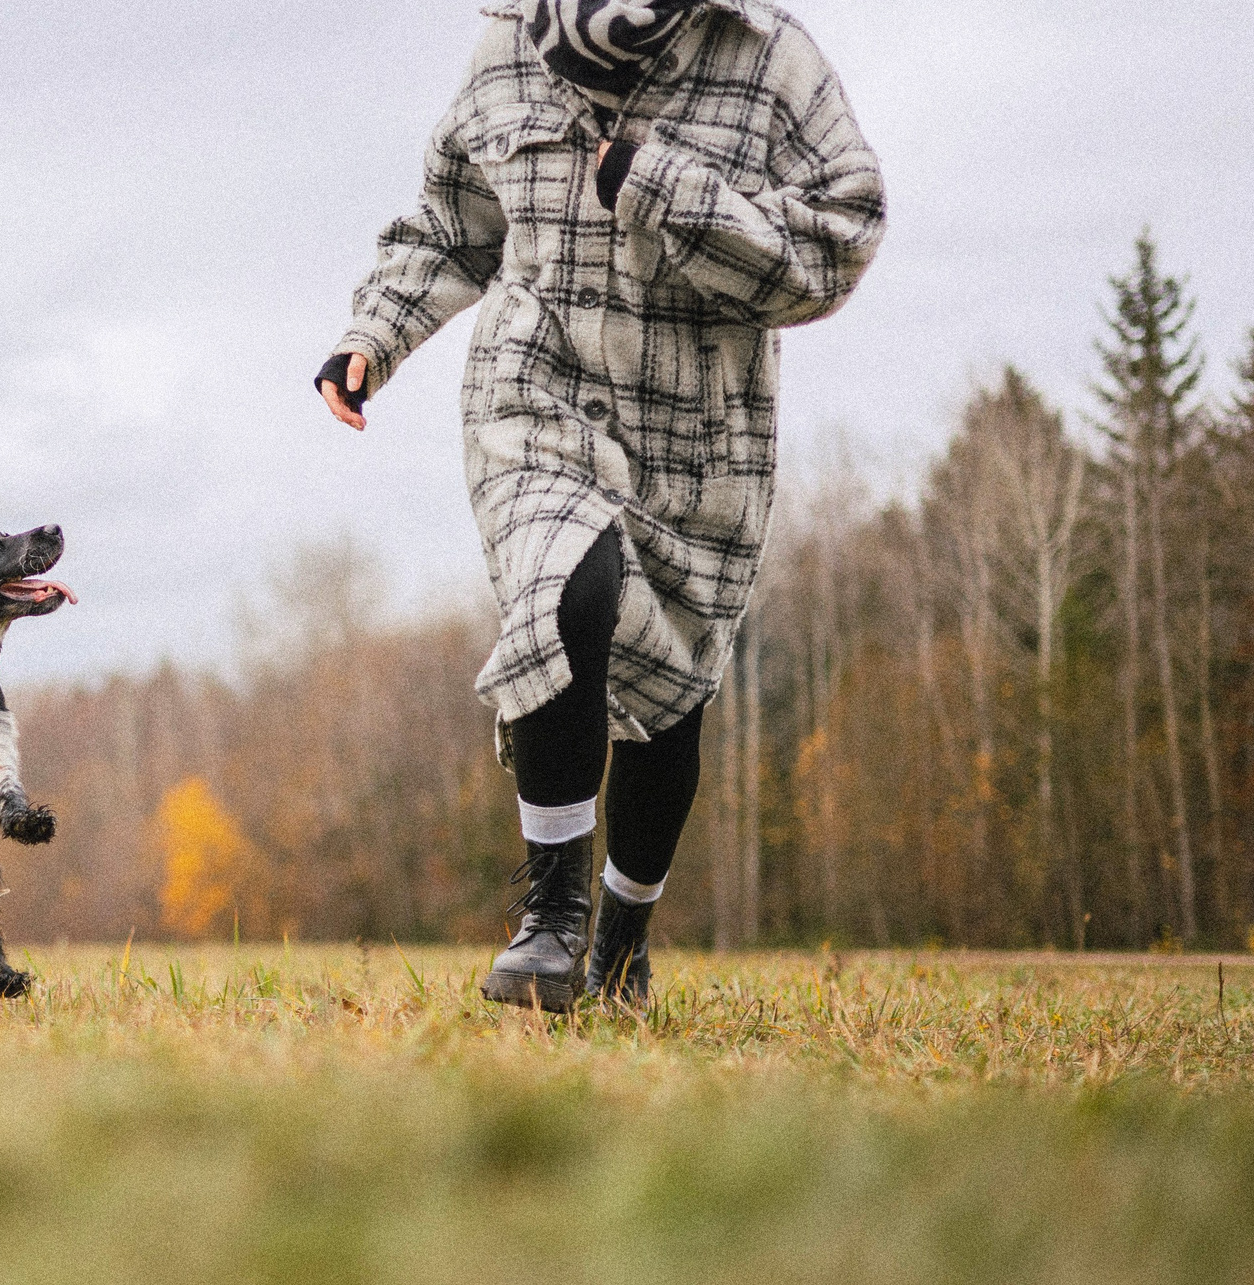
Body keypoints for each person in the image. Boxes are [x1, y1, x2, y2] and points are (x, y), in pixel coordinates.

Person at [316, 0, 883, 1010]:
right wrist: (374, 333)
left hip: (697, 434)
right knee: (561, 592)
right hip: (535, 393)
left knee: (669, 702)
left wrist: (665, 185)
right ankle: (550, 917)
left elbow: (841, 239)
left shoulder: (767, 57)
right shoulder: (506, 46)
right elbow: (453, 224)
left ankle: (623, 928)